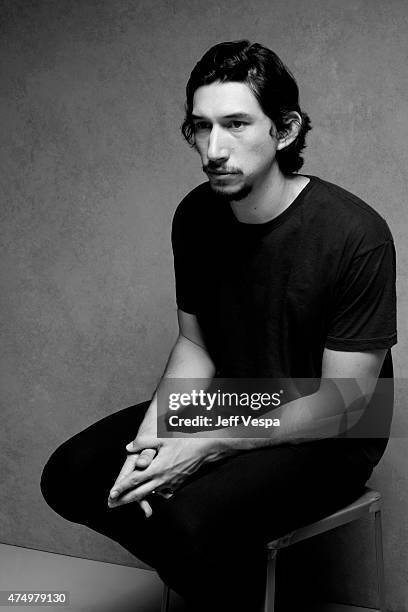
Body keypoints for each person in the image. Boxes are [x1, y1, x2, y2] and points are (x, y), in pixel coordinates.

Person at [40, 40, 397, 611]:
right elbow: (195, 344)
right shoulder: (196, 214)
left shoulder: (355, 233)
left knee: (188, 519)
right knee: (71, 475)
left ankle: (213, 567)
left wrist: (205, 445)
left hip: (330, 430)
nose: (214, 149)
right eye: (200, 128)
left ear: (284, 130)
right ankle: (222, 577)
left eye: (235, 124)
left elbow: (347, 402)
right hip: (237, 400)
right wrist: (159, 431)